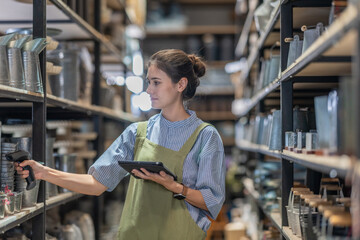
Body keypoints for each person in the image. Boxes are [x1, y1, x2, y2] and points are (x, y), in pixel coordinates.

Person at [16, 49, 226, 240]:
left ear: (180, 84)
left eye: (156, 82)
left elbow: (212, 201)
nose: (148, 90)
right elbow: (96, 184)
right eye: (148, 82)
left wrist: (175, 187)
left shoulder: (205, 137)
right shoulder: (137, 133)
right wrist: (43, 172)